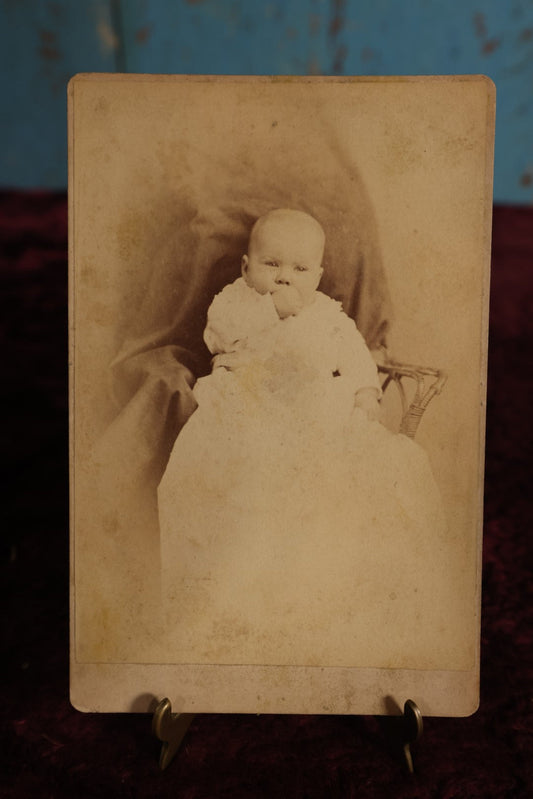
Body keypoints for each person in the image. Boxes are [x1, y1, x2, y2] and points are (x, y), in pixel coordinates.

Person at [157, 208, 454, 668]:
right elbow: (219, 336)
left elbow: (357, 357)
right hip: (248, 405)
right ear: (246, 267)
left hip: (314, 412)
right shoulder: (234, 302)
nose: (284, 279)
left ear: (317, 275)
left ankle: (322, 600)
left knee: (357, 477)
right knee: (246, 481)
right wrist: (269, 310)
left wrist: (363, 393)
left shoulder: (330, 316)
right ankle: (244, 603)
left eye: (299, 269)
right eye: (270, 265)